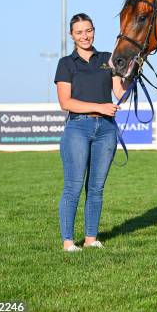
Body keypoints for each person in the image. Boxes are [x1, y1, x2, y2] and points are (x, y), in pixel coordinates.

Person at [54, 13, 128, 252]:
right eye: (79, 32)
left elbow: (119, 92)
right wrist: (99, 107)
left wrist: (131, 72)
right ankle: (68, 241)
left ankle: (90, 239)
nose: (85, 36)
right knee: (73, 186)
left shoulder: (107, 59)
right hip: (78, 127)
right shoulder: (66, 63)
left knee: (96, 188)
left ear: (94, 30)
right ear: (71, 35)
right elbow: (66, 102)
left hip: (106, 130)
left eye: (88, 30)